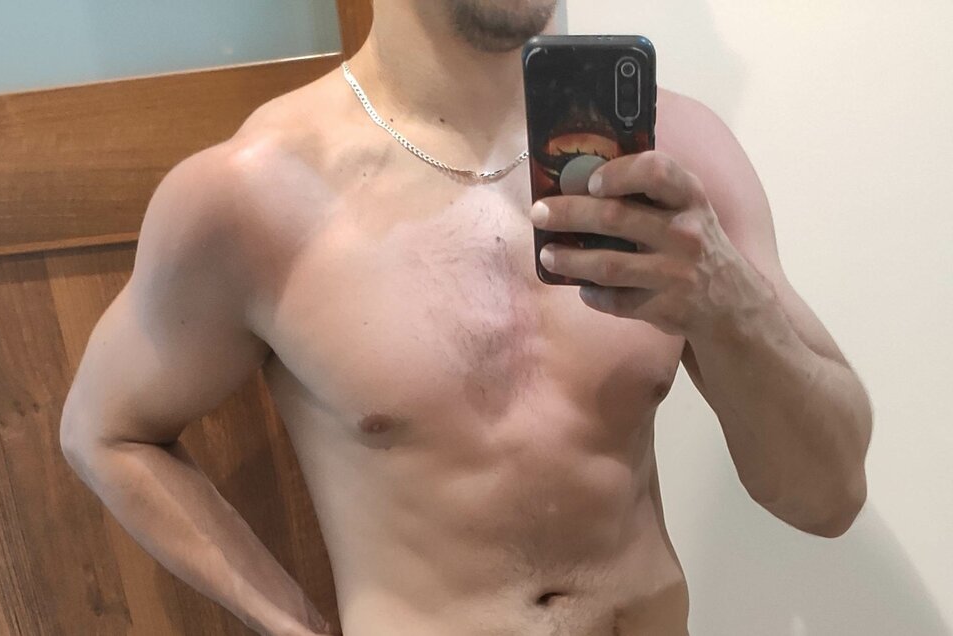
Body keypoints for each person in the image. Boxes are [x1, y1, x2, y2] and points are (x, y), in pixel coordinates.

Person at [59, 1, 873, 635]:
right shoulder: (253, 194)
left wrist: (728, 304)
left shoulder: (676, 159)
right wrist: (290, 624)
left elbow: (828, 498)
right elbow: (104, 433)